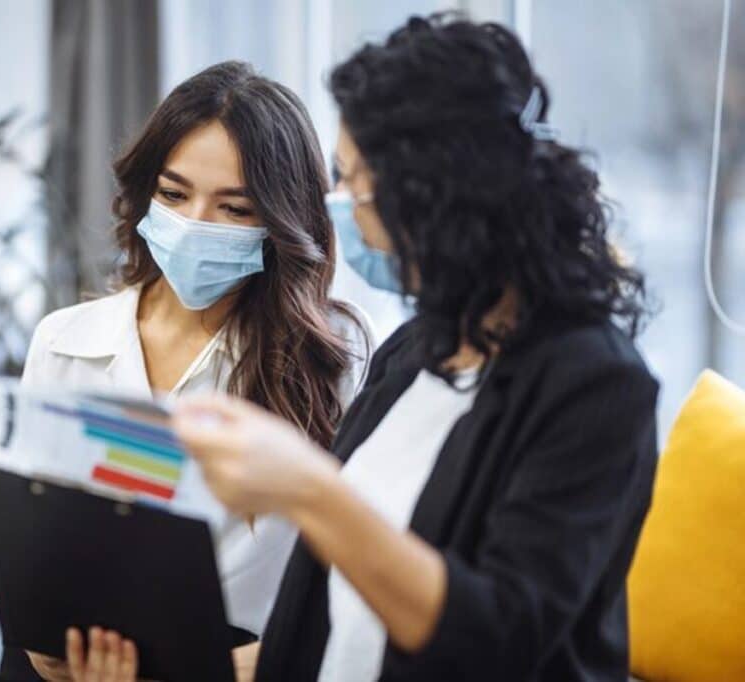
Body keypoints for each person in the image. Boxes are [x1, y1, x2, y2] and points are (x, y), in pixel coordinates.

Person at [55, 13, 658, 682]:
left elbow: (499, 641)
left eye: (352, 182)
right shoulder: (417, 352)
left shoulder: (596, 385)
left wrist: (309, 489)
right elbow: (318, 621)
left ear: (434, 198)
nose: (336, 206)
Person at [10, 61, 372, 681]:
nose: (195, 224)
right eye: (174, 195)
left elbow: (358, 585)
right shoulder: (64, 342)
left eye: (234, 208)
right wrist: (46, 650)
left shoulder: (337, 354)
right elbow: (34, 544)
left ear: (282, 221)